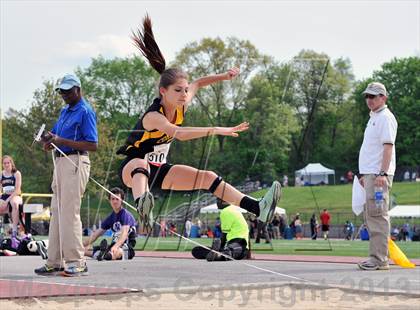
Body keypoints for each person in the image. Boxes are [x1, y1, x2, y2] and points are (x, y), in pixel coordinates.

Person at [116, 15, 281, 231]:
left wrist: (225, 75)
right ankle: (143, 209)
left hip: (160, 169)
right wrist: (215, 130)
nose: (184, 94)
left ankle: (259, 208)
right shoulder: (154, 116)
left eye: (185, 90)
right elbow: (180, 134)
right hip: (132, 170)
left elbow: (198, 83)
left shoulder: (182, 102)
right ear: (163, 91)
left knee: (208, 178)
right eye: (178, 90)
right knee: (141, 164)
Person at [34, 74, 98, 277]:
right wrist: (49, 140)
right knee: (57, 212)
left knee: (70, 213)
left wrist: (61, 140)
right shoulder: (65, 111)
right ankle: (55, 261)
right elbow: (55, 136)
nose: (64, 94)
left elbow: (93, 144)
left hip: (76, 161)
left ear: (78, 90)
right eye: (61, 91)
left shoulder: (85, 111)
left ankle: (77, 261)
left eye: (68, 91)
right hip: (60, 163)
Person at [357, 82, 398, 271]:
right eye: (367, 96)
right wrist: (365, 174)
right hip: (372, 174)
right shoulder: (374, 117)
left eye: (373, 96)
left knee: (378, 215)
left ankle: (379, 259)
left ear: (384, 97)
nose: (369, 100)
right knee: (372, 216)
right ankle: (376, 257)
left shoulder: (385, 118)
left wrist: (381, 173)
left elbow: (387, 147)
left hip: (378, 174)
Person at [84, 188, 137, 261]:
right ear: (109, 201)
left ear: (122, 200)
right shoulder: (111, 217)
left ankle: (105, 255)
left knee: (116, 252)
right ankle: (103, 255)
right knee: (83, 251)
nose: (115, 201)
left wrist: (116, 246)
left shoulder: (125, 215)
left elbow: (124, 234)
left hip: (126, 246)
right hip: (113, 245)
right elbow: (96, 234)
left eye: (117, 199)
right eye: (112, 199)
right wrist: (81, 245)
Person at [0, 155, 23, 248]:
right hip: (5, 195)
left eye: (8, 163)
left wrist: (7, 201)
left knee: (14, 203)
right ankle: (2, 231)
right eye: (4, 163)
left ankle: (14, 231)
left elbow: (17, 190)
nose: (6, 165)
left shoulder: (16, 173)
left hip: (15, 195)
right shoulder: (1, 174)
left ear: (11, 163)